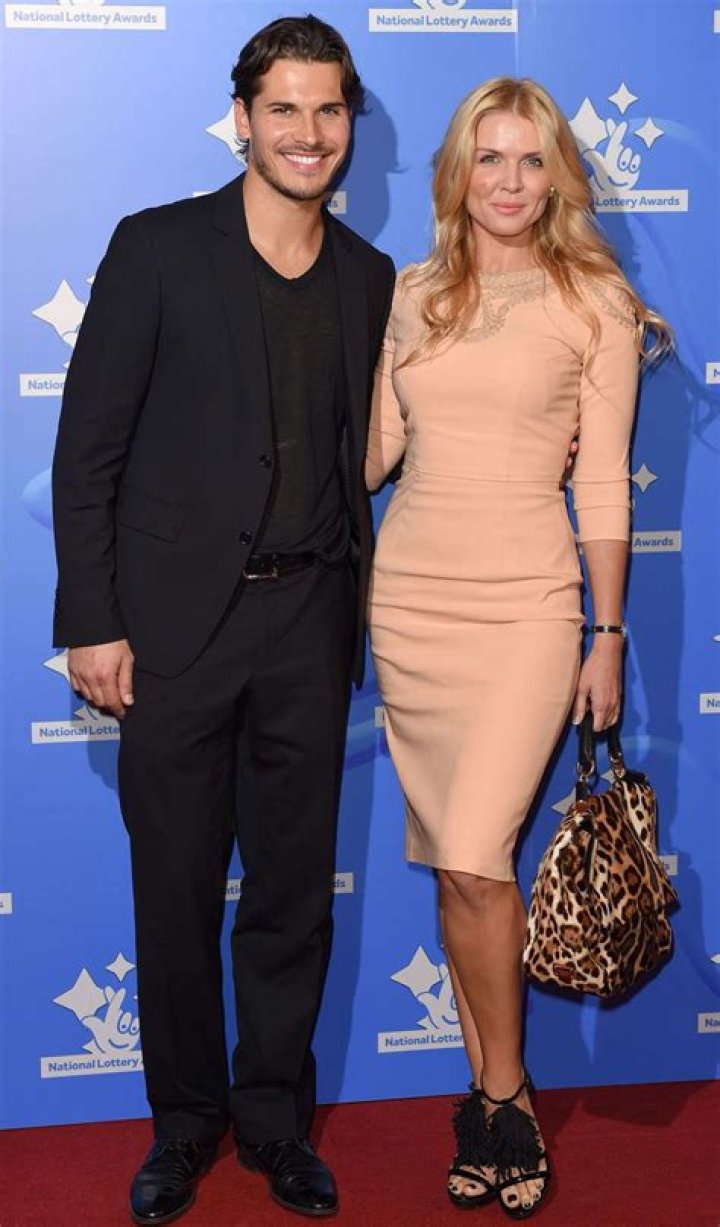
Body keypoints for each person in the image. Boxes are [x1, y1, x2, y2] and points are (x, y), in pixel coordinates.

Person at [51, 16, 394, 1224]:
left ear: (350, 124)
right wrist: (92, 620)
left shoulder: (369, 278)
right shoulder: (156, 249)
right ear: (242, 119)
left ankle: (275, 1125)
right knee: (178, 895)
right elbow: (87, 452)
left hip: (309, 625)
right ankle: (185, 1127)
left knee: (293, 899)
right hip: (173, 634)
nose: (308, 132)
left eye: (329, 109)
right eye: (284, 108)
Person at [366, 77, 670, 1219]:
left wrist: (607, 633)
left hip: (530, 606)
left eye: (530, 160)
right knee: (461, 865)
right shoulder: (411, 296)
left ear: (557, 178)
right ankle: (495, 1094)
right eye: (487, 158)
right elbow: (373, 452)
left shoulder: (595, 302)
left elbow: (605, 486)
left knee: (476, 848)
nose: (508, 180)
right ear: (458, 172)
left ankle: (506, 1098)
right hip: (411, 602)